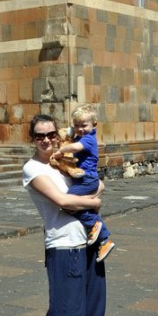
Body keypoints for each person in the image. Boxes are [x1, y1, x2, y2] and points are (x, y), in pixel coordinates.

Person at [23, 113, 107, 316]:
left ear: (58, 135)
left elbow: (99, 182)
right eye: (39, 135)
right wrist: (93, 202)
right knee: (65, 311)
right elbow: (62, 202)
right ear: (32, 139)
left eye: (50, 134)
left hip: (89, 242)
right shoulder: (33, 170)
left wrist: (92, 195)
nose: (46, 140)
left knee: (92, 308)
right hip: (63, 246)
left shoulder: (64, 164)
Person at [51, 104, 114, 262]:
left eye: (84, 125)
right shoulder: (81, 134)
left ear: (94, 125)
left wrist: (60, 151)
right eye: (77, 125)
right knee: (78, 205)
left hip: (87, 179)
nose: (80, 129)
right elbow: (69, 133)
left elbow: (75, 146)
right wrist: (69, 130)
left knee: (68, 203)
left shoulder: (88, 139)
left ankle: (93, 222)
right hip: (83, 180)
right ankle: (105, 240)